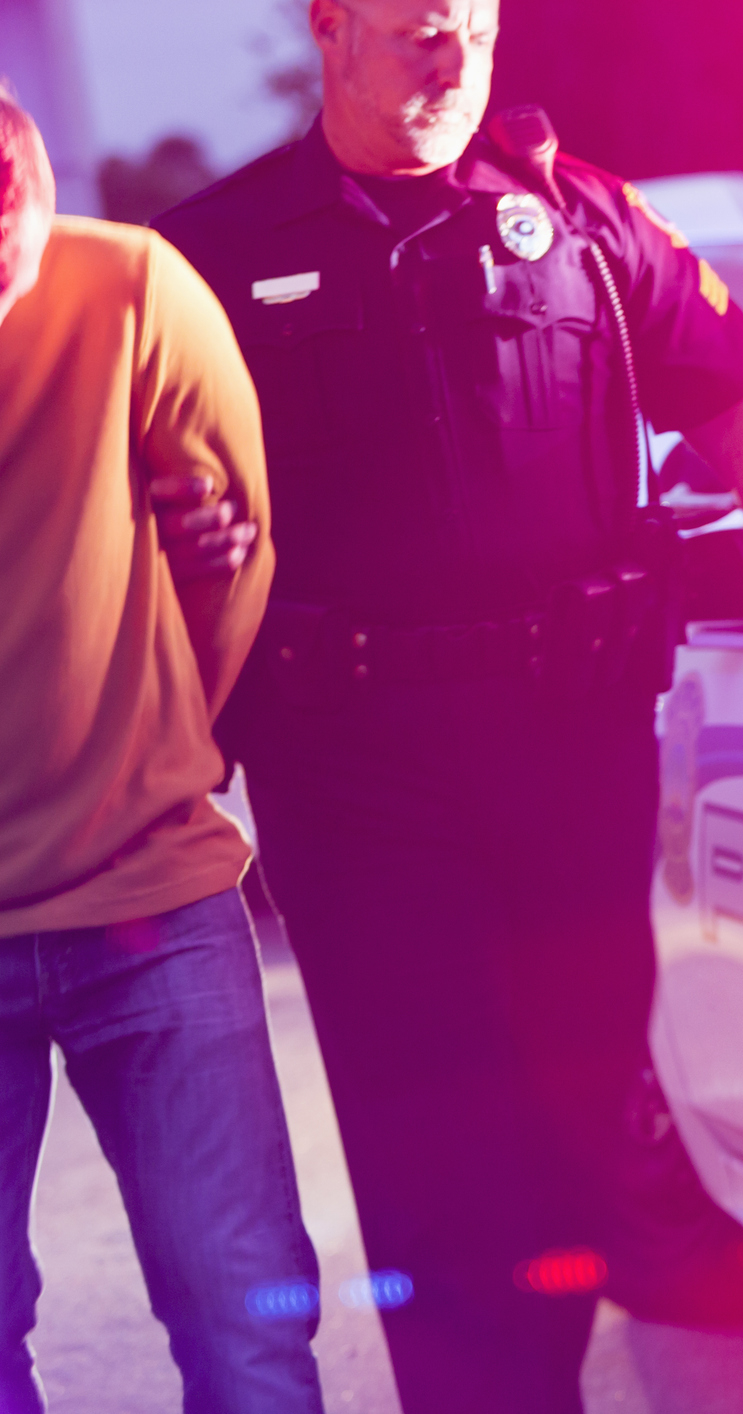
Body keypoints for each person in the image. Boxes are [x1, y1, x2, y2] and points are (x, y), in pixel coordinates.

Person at [151, 2, 743, 1410]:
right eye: (415, 32)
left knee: (585, 1117)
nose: (447, 63)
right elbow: (133, 473)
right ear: (331, 27)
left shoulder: (582, 223)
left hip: (571, 748)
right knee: (431, 1151)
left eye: (471, 34)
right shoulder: (214, 253)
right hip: (352, 770)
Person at [0, 95, 324, 1412]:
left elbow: (231, 566)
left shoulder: (132, 286)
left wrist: (140, 747)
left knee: (243, 1315)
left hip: (151, 898)